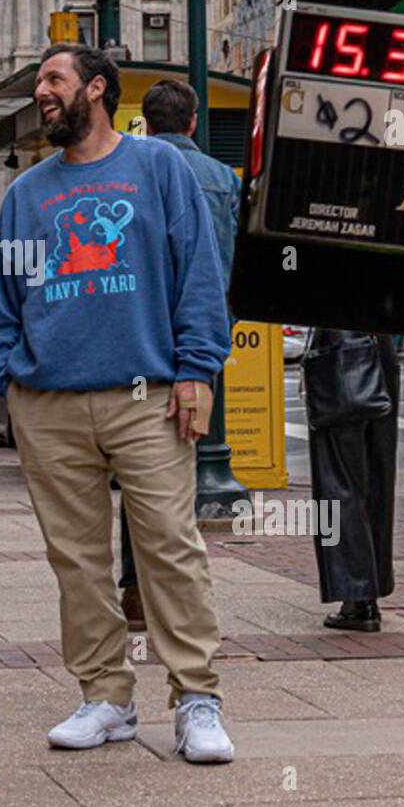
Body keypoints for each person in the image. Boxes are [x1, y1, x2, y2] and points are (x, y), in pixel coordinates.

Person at [0, 44, 235, 764]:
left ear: (97, 89)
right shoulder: (27, 194)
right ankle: (106, 697)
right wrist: (8, 378)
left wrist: (197, 371)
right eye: (40, 84)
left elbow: (199, 277)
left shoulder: (158, 169)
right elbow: (0, 296)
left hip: (146, 396)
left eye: (55, 81)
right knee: (78, 559)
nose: (44, 93)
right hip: (50, 402)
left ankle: (196, 699)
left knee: (170, 549)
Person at [118, 80, 241, 632]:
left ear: (146, 121)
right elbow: (237, 259)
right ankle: (176, 591)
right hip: (202, 337)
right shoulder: (222, 178)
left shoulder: (132, 172)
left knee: (138, 462)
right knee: (183, 459)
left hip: (145, 337)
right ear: (193, 122)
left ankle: (137, 587)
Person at [305, 330, 400, 632]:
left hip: (339, 352)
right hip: (380, 351)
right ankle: (369, 590)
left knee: (337, 480)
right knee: (378, 476)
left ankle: (356, 595)